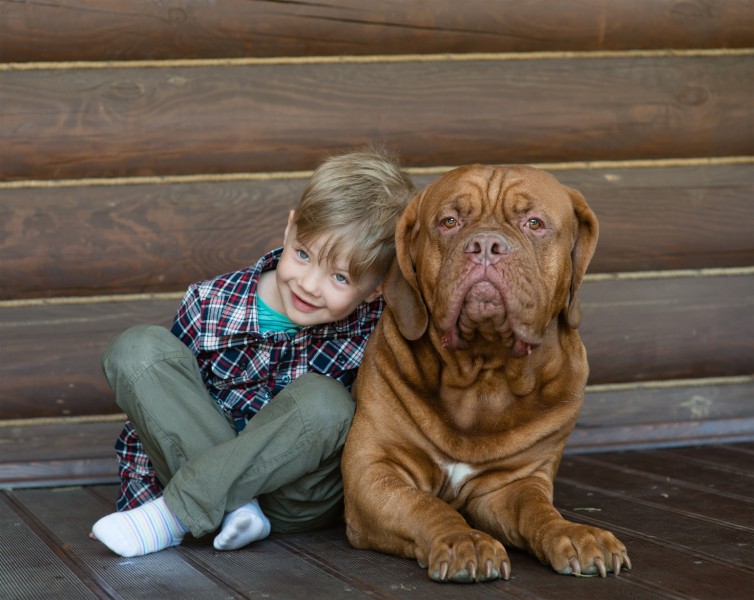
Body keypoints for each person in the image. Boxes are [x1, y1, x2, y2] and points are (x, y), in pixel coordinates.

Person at [91, 148, 415, 557]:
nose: (310, 285)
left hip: (296, 500)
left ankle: (173, 515)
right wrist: (135, 501)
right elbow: (155, 417)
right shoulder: (211, 303)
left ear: (378, 288)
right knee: (137, 349)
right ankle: (233, 505)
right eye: (303, 254)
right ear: (289, 229)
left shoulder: (376, 329)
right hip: (196, 457)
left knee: (325, 400)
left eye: (339, 277)